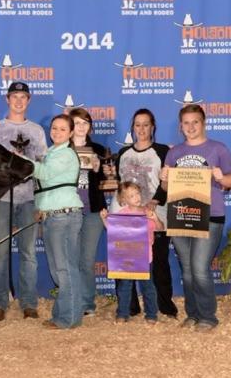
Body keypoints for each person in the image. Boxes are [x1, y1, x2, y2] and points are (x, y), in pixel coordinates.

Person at [160, 104, 231, 331]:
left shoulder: (218, 148)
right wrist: (164, 178)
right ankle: (193, 314)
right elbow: (166, 188)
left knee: (199, 268)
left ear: (204, 123)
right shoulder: (174, 152)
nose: (191, 126)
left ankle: (208, 317)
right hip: (180, 214)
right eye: (186, 123)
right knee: (187, 270)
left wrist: (221, 177)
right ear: (180, 126)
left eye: (195, 122)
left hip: (210, 215)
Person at [0, 82, 47, 321]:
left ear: (29, 100)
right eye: (15, 96)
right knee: (0, 252)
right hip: (1, 198)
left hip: (29, 198)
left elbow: (43, 166)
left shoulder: (36, 131)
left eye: (23, 97)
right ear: (7, 99)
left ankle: (29, 302)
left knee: (28, 252)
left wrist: (41, 200)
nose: (19, 101)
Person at [108, 109, 178, 318]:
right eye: (137, 124)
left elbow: (169, 181)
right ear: (133, 127)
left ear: (153, 127)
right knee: (124, 264)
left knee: (158, 263)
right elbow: (119, 184)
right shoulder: (123, 153)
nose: (141, 129)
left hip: (154, 213)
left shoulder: (163, 151)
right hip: (125, 217)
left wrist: (155, 201)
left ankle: (164, 306)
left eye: (146, 124)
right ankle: (128, 307)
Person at [31, 114, 83, 329]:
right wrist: (39, 207)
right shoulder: (51, 152)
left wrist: (21, 162)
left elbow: (45, 173)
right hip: (53, 215)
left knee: (64, 269)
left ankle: (68, 318)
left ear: (71, 133)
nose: (57, 132)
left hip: (63, 215)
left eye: (63, 129)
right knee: (59, 269)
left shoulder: (66, 154)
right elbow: (44, 184)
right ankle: (64, 315)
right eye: (54, 128)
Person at [100, 182, 162, 324]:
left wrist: (155, 219)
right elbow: (112, 229)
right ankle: (122, 313)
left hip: (145, 257)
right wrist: (104, 219)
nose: (136, 197)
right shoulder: (121, 214)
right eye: (131, 196)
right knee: (125, 286)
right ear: (124, 200)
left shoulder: (147, 212)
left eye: (137, 194)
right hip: (126, 258)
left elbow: (159, 228)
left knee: (148, 287)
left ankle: (151, 314)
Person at [68, 108, 107, 317]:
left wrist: (100, 169)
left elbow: (109, 180)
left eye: (85, 123)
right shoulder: (62, 148)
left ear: (90, 126)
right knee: (70, 258)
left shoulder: (99, 149)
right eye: (77, 123)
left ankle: (87, 302)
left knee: (87, 260)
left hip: (92, 211)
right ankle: (72, 300)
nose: (81, 127)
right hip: (69, 210)